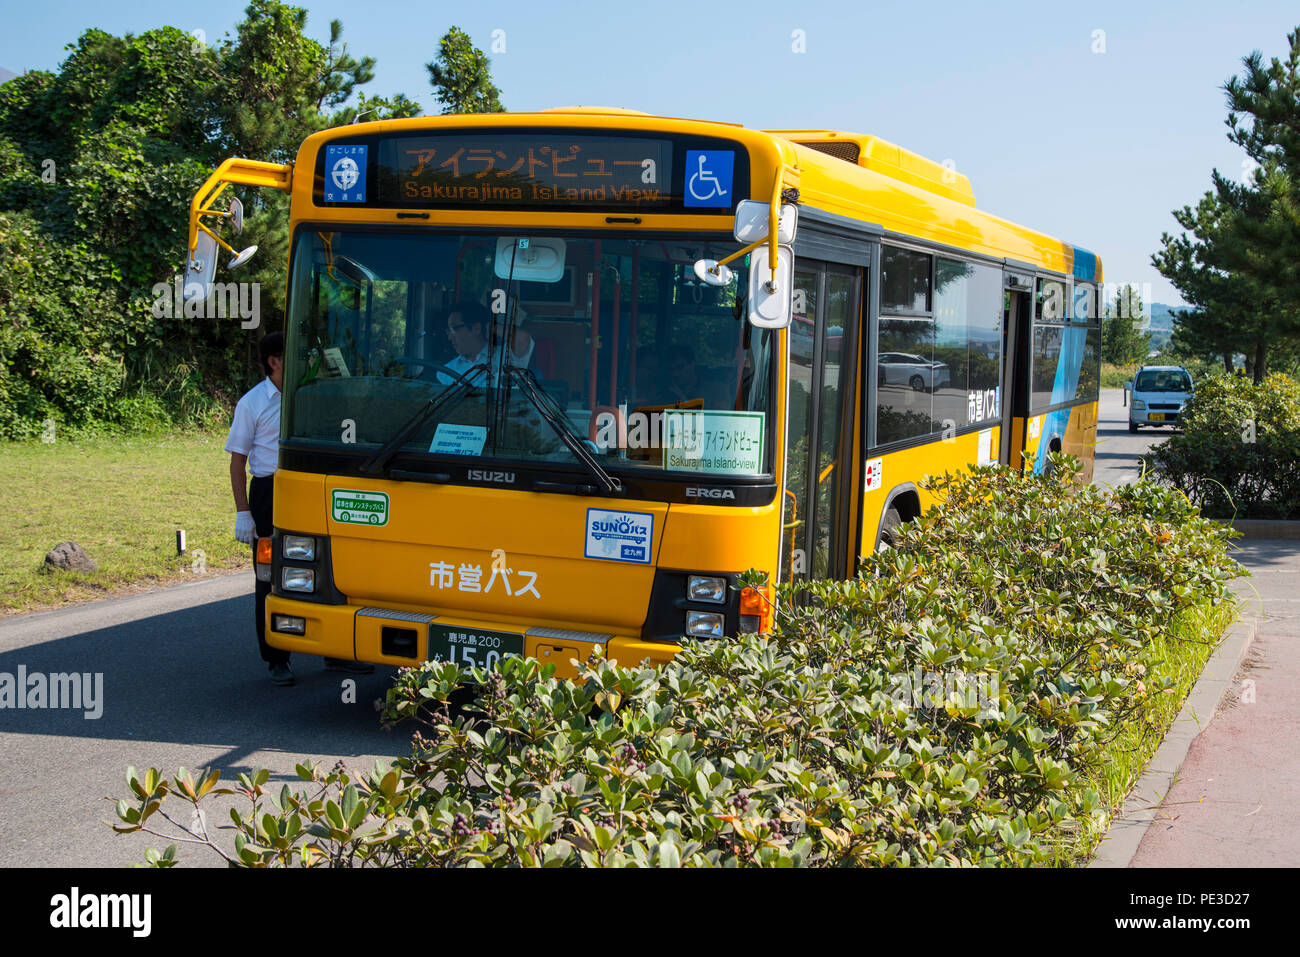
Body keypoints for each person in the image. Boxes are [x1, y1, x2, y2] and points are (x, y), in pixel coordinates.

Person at [227, 332, 372, 685]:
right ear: (274, 362)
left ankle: (336, 651)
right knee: (270, 575)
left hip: (312, 487)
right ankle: (276, 658)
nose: (305, 361)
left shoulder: (313, 396)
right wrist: (243, 512)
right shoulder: (253, 403)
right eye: (295, 355)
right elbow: (237, 462)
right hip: (270, 491)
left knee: (328, 567)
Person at [437, 301, 534, 386]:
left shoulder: (505, 356)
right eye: (448, 331)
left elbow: (522, 339)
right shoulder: (446, 371)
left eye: (454, 329)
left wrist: (492, 328)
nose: (450, 337)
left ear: (476, 328)